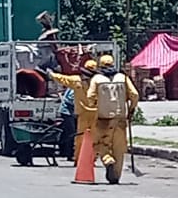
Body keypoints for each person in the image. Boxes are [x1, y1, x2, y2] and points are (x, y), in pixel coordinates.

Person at [86, 54, 139, 184]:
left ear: (100, 65)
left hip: (103, 119)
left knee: (100, 144)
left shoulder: (96, 79)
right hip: (120, 118)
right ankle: (115, 176)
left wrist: (95, 104)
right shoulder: (123, 77)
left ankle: (108, 160)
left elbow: (90, 96)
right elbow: (135, 94)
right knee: (119, 148)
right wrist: (131, 109)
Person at [48, 59, 98, 162]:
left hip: (83, 114)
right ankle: (89, 158)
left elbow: (62, 78)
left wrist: (51, 74)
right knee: (92, 136)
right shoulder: (99, 82)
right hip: (94, 113)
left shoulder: (77, 80)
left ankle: (80, 158)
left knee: (81, 136)